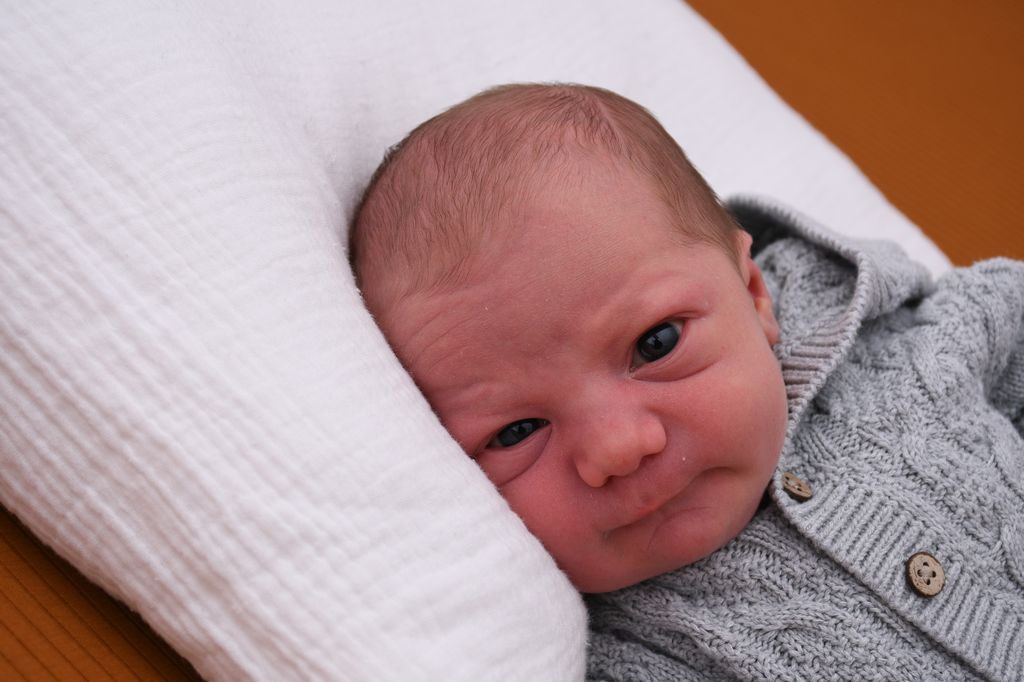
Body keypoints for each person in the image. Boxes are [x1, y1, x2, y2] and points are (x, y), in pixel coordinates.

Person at [349, 83, 1024, 680]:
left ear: (753, 293)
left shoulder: (896, 344)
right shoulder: (616, 648)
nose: (618, 448)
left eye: (656, 344)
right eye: (517, 431)